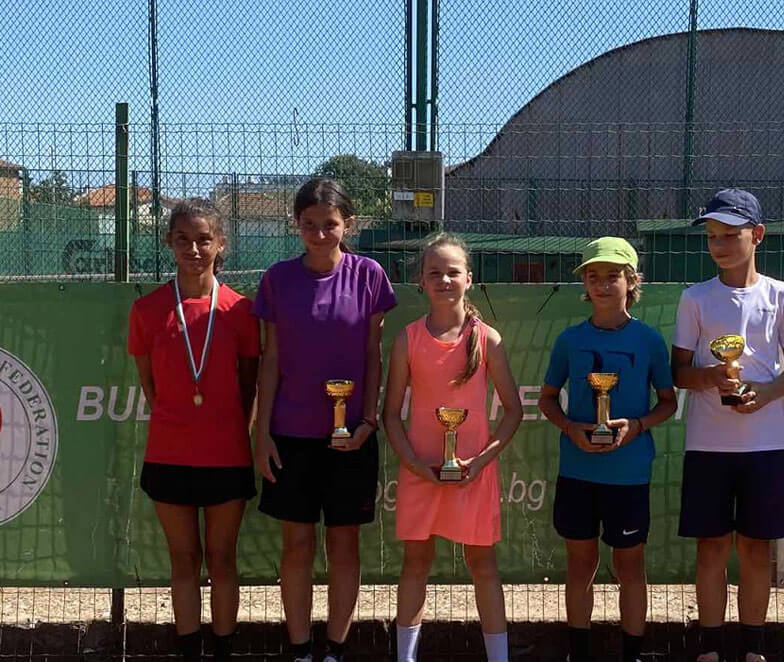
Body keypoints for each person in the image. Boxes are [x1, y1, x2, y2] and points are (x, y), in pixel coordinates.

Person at [253, 178, 396, 662]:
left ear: (347, 224)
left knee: (344, 546)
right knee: (296, 546)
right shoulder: (277, 279)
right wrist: (261, 433)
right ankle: (299, 649)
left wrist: (368, 420)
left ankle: (335, 649)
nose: (319, 234)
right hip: (290, 435)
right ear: (296, 224)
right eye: (309, 224)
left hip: (351, 437)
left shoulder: (369, 275)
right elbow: (270, 360)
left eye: (329, 224)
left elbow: (374, 354)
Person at [671, 189, 784, 662]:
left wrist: (763, 394)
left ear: (758, 235)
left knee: (754, 550)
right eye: (712, 236)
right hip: (707, 447)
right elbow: (678, 373)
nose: (720, 245)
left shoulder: (782, 296)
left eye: (731, 235)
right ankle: (709, 648)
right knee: (710, 549)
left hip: (765, 447)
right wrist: (712, 377)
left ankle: (753, 649)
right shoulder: (695, 298)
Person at [128, 199, 260, 662]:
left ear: (221, 243)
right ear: (169, 242)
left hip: (227, 455)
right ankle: (188, 650)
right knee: (183, 559)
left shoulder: (241, 310)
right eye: (183, 239)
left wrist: (230, 432)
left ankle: (223, 649)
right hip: (169, 454)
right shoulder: (147, 310)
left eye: (204, 239)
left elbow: (249, 385)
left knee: (222, 559)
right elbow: (150, 386)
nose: (194, 249)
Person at [382, 233, 522, 662]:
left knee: (484, 566)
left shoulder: (488, 339)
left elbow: (513, 412)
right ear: (421, 281)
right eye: (434, 273)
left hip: (472, 476)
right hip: (420, 473)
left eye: (453, 272)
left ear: (469, 279)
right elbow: (391, 416)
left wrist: (479, 463)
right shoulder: (407, 340)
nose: (444, 280)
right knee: (415, 564)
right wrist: (414, 464)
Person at [538, 237, 678, 662]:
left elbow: (668, 403)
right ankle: (578, 652)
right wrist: (569, 427)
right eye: (593, 276)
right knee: (580, 565)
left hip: (629, 474)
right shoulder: (569, 340)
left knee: (629, 567)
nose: (602, 285)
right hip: (577, 471)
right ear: (584, 284)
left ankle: (631, 653)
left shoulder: (649, 340)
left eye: (612, 276)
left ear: (632, 281)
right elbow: (547, 399)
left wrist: (637, 426)